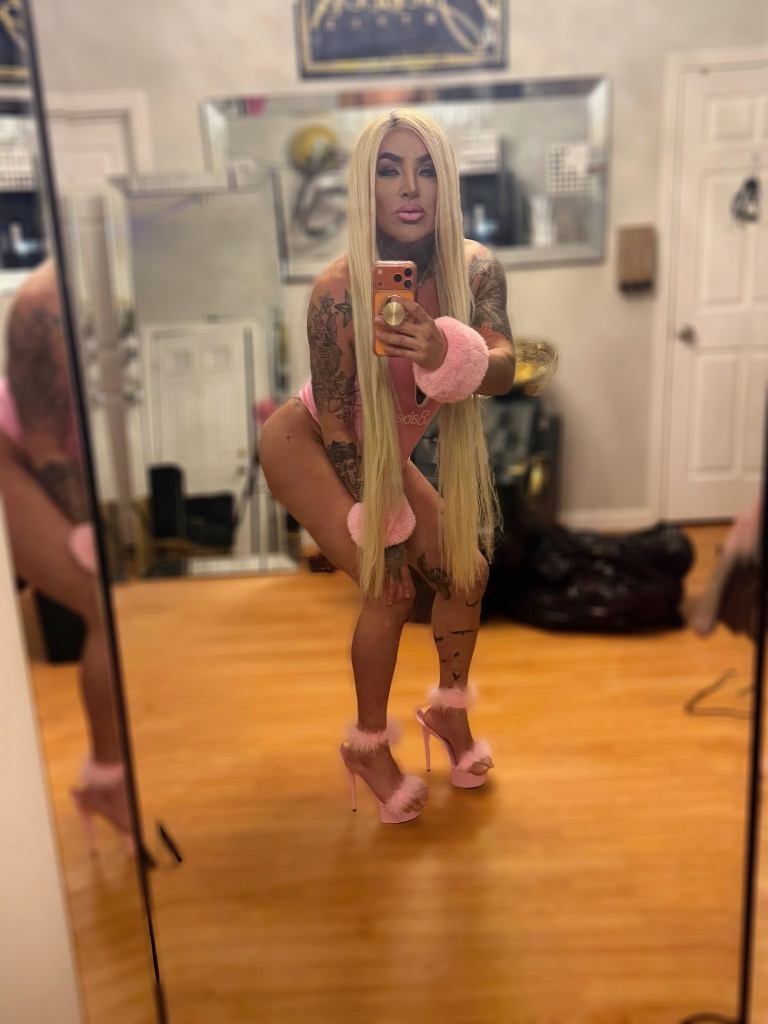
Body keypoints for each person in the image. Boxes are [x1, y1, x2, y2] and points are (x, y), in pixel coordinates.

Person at [259, 109, 516, 823]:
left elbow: (504, 367)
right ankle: (368, 746)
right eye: (389, 169)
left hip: (383, 454)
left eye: (426, 169)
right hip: (310, 443)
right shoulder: (336, 293)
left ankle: (449, 710)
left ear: (446, 184)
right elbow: (340, 424)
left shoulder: (476, 271)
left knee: (467, 573)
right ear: (364, 185)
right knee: (391, 586)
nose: (409, 187)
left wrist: (449, 353)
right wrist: (387, 530)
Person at [0, 258, 133, 853]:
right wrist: (83, 529)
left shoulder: (93, 278)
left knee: (107, 614)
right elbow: (46, 441)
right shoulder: (41, 300)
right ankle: (106, 782)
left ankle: (107, 779)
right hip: (16, 454)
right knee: (101, 609)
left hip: (49, 454)